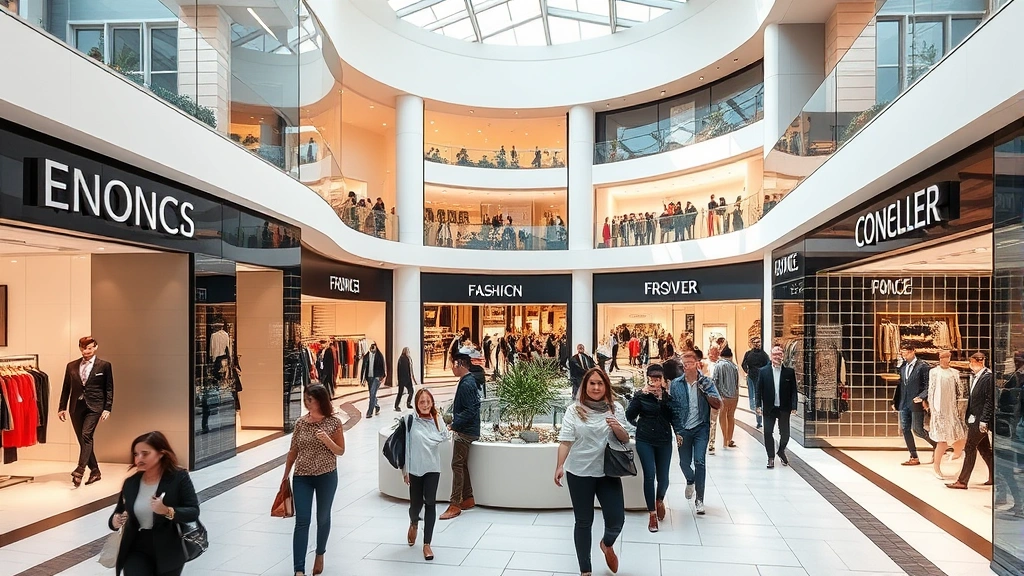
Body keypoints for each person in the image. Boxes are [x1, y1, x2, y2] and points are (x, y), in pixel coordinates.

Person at [555, 368, 629, 575]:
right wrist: (559, 466)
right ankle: (585, 570)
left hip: (608, 471)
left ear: (606, 386)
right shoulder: (574, 410)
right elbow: (565, 440)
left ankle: (607, 544)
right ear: (585, 386)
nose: (596, 387)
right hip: (579, 472)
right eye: (592, 383)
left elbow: (625, 439)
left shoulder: (615, 409)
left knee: (616, 520)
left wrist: (616, 427)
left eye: (600, 383)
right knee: (583, 521)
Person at [108, 431, 200, 576]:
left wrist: (167, 511)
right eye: (136, 454)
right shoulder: (131, 483)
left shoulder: (178, 478)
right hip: (136, 546)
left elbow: (193, 511)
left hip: (168, 547)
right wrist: (115, 521)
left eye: (145, 453)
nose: (139, 458)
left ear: (161, 453)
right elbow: (119, 511)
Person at [283, 384, 345, 576]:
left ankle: (320, 553)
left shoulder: (334, 423)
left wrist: (327, 440)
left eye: (311, 399)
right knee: (302, 520)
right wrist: (285, 475)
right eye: (306, 398)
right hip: (302, 476)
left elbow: (340, 451)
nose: (307, 402)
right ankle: (298, 569)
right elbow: (293, 451)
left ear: (320, 400)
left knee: (323, 516)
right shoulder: (301, 423)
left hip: (326, 475)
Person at [669, 351, 722, 516]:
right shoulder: (676, 384)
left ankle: (700, 499)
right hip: (684, 429)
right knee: (684, 463)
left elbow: (717, 404)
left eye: (689, 363)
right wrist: (677, 430)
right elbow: (673, 409)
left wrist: (704, 391)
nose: (686, 366)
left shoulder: (706, 382)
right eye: (683, 363)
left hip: (701, 428)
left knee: (699, 461)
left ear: (697, 363)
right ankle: (690, 480)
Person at [58, 336, 114, 487]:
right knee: (83, 441)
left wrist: (107, 408)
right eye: (83, 348)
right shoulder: (71, 366)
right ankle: (95, 471)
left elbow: (109, 388)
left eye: (89, 348)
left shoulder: (104, 366)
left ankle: (80, 470)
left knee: (86, 435)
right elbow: (66, 387)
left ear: (95, 347)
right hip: (76, 407)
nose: (86, 351)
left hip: (95, 406)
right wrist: (62, 407)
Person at [626, 364, 674, 533]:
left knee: (664, 478)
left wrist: (662, 400)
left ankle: (659, 499)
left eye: (658, 379)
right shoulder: (640, 395)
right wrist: (638, 425)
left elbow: (673, 416)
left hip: (664, 440)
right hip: (645, 439)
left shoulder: (668, 397)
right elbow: (629, 415)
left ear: (663, 380)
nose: (655, 383)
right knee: (649, 475)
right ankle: (652, 514)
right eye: (652, 379)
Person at [403, 389, 448, 561]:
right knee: (416, 505)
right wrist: (405, 470)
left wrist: (438, 424)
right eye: (422, 402)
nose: (425, 405)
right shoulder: (410, 421)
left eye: (428, 401)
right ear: (416, 404)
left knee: (430, 502)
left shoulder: (437, 419)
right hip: (415, 469)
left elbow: (444, 437)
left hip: (432, 468)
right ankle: (414, 521)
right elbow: (405, 446)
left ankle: (427, 543)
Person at [440, 352, 481, 520]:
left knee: (457, 465)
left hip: (465, 431)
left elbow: (471, 410)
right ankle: (468, 498)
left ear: (459, 364)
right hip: (467, 429)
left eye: (452, 364)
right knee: (461, 464)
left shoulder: (466, 384)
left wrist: (453, 425)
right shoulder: (468, 381)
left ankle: (455, 503)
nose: (451, 368)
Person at [947, 352, 995, 489]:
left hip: (980, 420)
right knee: (984, 448)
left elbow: (989, 401)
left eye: (973, 362)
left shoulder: (988, 378)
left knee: (970, 447)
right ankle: (994, 476)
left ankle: (962, 481)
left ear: (980, 362)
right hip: (975, 418)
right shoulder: (977, 377)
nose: (971, 365)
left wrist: (984, 420)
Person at [892, 342, 935, 466]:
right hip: (904, 402)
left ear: (912, 351)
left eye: (905, 351)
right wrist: (894, 401)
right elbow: (900, 385)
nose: (902, 353)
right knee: (905, 428)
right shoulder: (903, 366)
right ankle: (913, 456)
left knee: (918, 429)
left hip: (916, 402)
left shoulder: (923, 366)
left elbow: (928, 385)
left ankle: (937, 445)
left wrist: (922, 397)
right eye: (902, 351)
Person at [926, 351, 967, 479]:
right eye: (943, 357)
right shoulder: (934, 372)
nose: (945, 360)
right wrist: (932, 409)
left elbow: (960, 391)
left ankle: (956, 454)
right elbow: (931, 390)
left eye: (947, 357)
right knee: (942, 441)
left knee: (960, 436)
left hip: (952, 409)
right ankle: (937, 467)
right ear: (940, 358)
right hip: (939, 409)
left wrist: (960, 408)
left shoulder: (954, 373)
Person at [756, 346, 798, 468]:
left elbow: (794, 391)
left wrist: (794, 405)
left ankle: (781, 450)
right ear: (771, 356)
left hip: (784, 407)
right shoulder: (763, 371)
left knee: (785, 434)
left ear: (783, 356)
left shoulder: (789, 372)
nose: (777, 357)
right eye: (775, 354)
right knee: (768, 432)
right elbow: (759, 390)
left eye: (779, 354)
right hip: (769, 407)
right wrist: (758, 405)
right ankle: (771, 457)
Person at [714, 347, 741, 449]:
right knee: (731, 416)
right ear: (731, 356)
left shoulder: (718, 365)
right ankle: (730, 439)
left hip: (722, 396)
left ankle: (725, 440)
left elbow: (715, 380)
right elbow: (737, 382)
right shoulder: (734, 366)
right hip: (733, 396)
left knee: (722, 417)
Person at [741, 337, 769, 429]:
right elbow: (743, 364)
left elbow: (768, 364)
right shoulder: (749, 354)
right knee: (754, 398)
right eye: (755, 342)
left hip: (759, 378)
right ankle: (759, 419)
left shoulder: (763, 354)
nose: (757, 344)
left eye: (759, 342)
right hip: (752, 377)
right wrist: (747, 371)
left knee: (759, 398)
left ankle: (760, 420)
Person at [360, 342, 387, 419]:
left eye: (374, 346)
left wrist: (382, 376)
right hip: (369, 378)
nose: (372, 348)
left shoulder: (379, 356)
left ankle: (369, 412)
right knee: (372, 394)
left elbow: (383, 365)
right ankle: (376, 406)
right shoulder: (366, 356)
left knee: (372, 394)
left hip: (376, 377)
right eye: (371, 346)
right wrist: (362, 379)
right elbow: (363, 368)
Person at [705, 346, 721, 455]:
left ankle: (711, 443)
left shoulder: (720, 365)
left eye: (715, 353)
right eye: (711, 353)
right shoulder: (703, 364)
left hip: (715, 396)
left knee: (713, 420)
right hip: (704, 395)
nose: (713, 355)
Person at [394, 347, 417, 412]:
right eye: (408, 351)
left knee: (405, 392)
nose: (409, 352)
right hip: (405, 379)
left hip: (403, 379)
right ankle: (405, 404)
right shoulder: (403, 359)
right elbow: (405, 370)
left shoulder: (404, 358)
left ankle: (400, 405)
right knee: (407, 392)